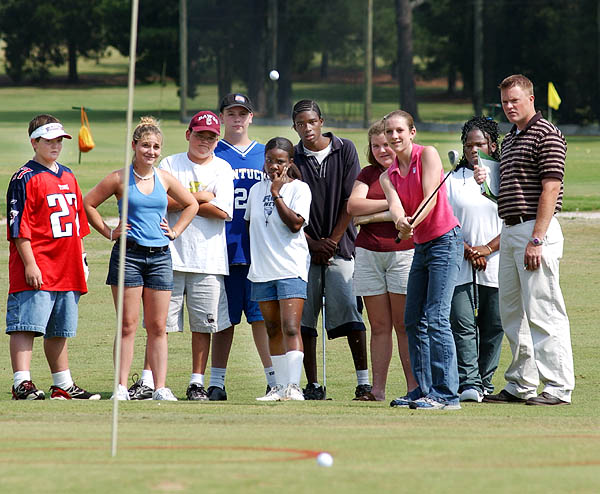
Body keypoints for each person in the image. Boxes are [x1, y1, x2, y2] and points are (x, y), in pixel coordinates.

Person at [474, 74, 575, 406]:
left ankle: (559, 387)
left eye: (515, 100)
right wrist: (486, 181)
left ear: (531, 98)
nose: (509, 107)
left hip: (536, 230)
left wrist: (537, 238)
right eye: (504, 102)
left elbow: (551, 188)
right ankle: (521, 383)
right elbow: (509, 192)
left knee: (544, 311)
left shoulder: (547, 134)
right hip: (511, 229)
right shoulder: (512, 138)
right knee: (513, 313)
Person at [83, 116, 198, 401]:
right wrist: (110, 232)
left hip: (160, 257)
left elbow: (192, 204)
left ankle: (160, 388)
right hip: (128, 256)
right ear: (134, 146)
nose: (151, 151)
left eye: (156, 146)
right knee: (127, 325)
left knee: (158, 327)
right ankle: (121, 387)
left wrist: (175, 231)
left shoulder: (164, 178)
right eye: (145, 145)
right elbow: (88, 203)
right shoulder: (119, 178)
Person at [127, 111, 234, 401]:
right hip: (168, 256)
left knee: (203, 326)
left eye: (211, 137)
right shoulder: (170, 163)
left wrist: (185, 201)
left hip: (209, 258)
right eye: (200, 135)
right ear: (189, 134)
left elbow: (224, 212)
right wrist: (201, 197)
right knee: (157, 324)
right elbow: (160, 202)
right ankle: (148, 381)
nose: (205, 141)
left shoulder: (223, 169)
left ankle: (196, 382)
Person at [6, 114, 100, 400]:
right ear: (34, 142)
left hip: (67, 264)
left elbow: (77, 222)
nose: (56, 145)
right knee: (27, 324)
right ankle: (22, 382)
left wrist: (81, 258)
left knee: (60, 327)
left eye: (59, 140)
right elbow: (18, 227)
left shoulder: (69, 175)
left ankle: (63, 383)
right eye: (49, 140)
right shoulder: (25, 177)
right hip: (39, 262)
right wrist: (30, 263)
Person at [380, 110, 462, 410]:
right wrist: (402, 223)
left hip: (445, 241)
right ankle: (423, 388)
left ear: (411, 132)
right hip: (422, 245)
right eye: (389, 132)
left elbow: (431, 197)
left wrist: (411, 222)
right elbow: (395, 208)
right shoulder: (386, 175)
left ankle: (446, 394)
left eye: (400, 130)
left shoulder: (427, 154)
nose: (394, 137)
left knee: (437, 316)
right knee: (412, 318)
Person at [292, 99, 371, 400]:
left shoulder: (345, 148)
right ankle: (312, 384)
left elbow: (351, 200)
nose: (307, 128)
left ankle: (363, 382)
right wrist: (312, 243)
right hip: (304, 249)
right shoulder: (294, 156)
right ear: (295, 126)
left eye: (312, 122)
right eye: (301, 123)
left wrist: (333, 240)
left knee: (350, 310)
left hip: (342, 247)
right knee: (305, 317)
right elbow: (292, 204)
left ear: (321, 121)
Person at [208, 93, 275, 401]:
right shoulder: (211, 153)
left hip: (258, 251)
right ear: (222, 117)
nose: (236, 118)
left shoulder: (265, 154)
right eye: (230, 113)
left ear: (251, 117)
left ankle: (273, 380)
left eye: (242, 113)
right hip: (221, 248)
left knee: (262, 318)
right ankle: (217, 382)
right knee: (223, 319)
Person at [347, 119, 417, 402]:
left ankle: (414, 387)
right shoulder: (367, 173)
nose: (381, 150)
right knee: (378, 327)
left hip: (403, 252)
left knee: (403, 325)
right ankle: (377, 390)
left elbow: (414, 208)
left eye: (386, 144)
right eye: (375, 146)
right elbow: (353, 207)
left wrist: (370, 216)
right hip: (368, 253)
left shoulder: (408, 171)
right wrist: (392, 205)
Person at [245, 137, 312, 401]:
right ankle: (278, 385)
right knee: (272, 328)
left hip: (290, 268)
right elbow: (252, 223)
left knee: (291, 327)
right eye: (270, 160)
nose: (273, 166)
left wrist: (276, 193)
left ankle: (294, 386)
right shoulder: (254, 190)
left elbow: (295, 224)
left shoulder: (300, 189)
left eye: (280, 161)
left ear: (290, 163)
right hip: (262, 269)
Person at [446, 116, 504, 403]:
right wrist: (469, 249)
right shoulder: (453, 180)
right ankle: (468, 382)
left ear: (492, 145)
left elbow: (515, 222)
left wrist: (487, 249)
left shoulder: (504, 175)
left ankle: (485, 381)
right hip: (461, 261)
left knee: (494, 324)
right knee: (463, 323)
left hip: (497, 261)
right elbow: (445, 222)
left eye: (479, 143)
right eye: (468, 144)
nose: (473, 149)